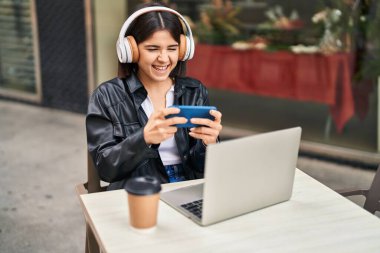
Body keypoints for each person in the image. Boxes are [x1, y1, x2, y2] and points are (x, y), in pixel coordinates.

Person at [86, 2, 222, 190]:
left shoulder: (195, 91)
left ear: (183, 50)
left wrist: (210, 144)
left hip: (187, 184)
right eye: (152, 49)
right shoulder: (107, 95)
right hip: (138, 188)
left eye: (172, 48)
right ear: (130, 50)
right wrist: (144, 138)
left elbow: (202, 167)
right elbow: (106, 169)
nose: (164, 58)